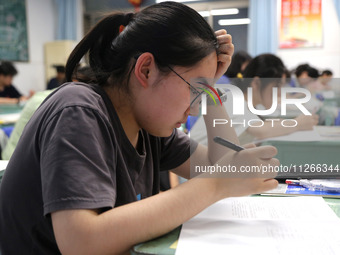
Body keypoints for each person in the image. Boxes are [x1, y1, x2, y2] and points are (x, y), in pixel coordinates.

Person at [0, 2, 279, 254]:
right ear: (146, 70)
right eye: (194, 89)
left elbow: (222, 165)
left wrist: (210, 86)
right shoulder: (79, 110)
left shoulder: (148, 124)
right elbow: (80, 243)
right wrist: (214, 185)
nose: (195, 108)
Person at [191, 54, 319, 145]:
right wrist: (298, 124)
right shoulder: (233, 100)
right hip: (193, 173)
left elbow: (260, 125)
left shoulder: (247, 105)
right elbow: (260, 131)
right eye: (276, 86)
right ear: (256, 83)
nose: (279, 92)